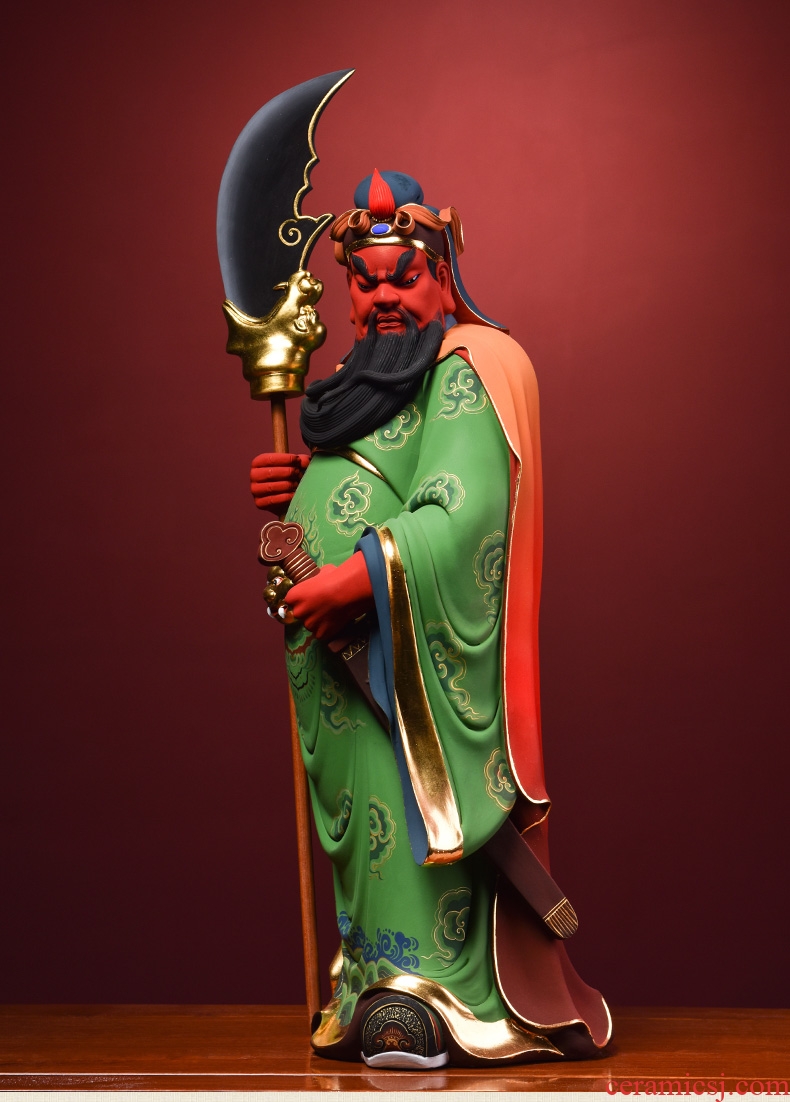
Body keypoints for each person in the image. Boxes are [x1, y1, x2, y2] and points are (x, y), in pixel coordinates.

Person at [250, 170, 611, 1068]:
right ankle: (371, 980)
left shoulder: (466, 368)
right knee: (364, 824)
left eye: (404, 278)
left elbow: (461, 512)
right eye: (364, 283)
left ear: (443, 279)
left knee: (408, 803)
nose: (383, 300)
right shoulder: (352, 389)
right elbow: (371, 482)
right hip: (341, 661)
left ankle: (434, 994)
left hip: (404, 660)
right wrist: (302, 490)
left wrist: (355, 578)